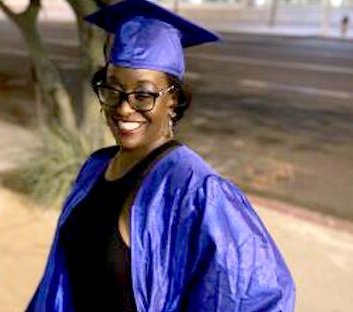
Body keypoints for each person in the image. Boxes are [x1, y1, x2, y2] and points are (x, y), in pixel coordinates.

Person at [26, 0, 295, 311]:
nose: (124, 107)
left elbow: (256, 295)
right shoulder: (95, 167)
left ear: (172, 99)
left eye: (143, 94)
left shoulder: (195, 191)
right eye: (113, 89)